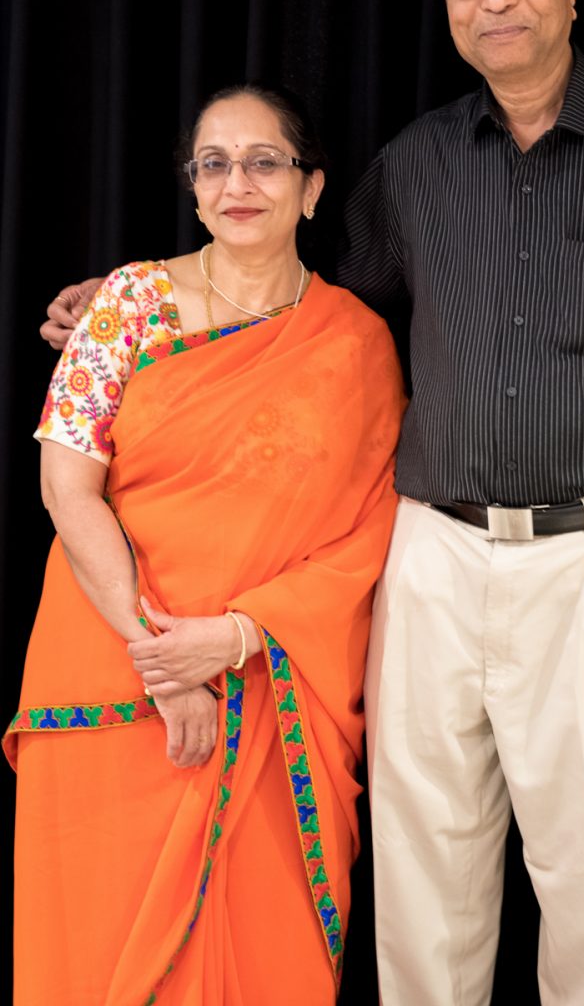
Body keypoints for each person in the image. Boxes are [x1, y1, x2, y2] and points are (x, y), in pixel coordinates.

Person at [38, 0, 584, 1006]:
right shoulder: (417, 162)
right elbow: (301, 304)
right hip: (431, 559)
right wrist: (137, 301)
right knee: (422, 893)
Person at [10, 84, 405, 1005]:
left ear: (312, 188)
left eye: (265, 162)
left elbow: (370, 532)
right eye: (214, 164)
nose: (238, 184)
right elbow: (67, 488)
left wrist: (234, 639)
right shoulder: (127, 306)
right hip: (114, 680)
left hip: (270, 686)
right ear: (193, 189)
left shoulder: (358, 345)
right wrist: (164, 662)